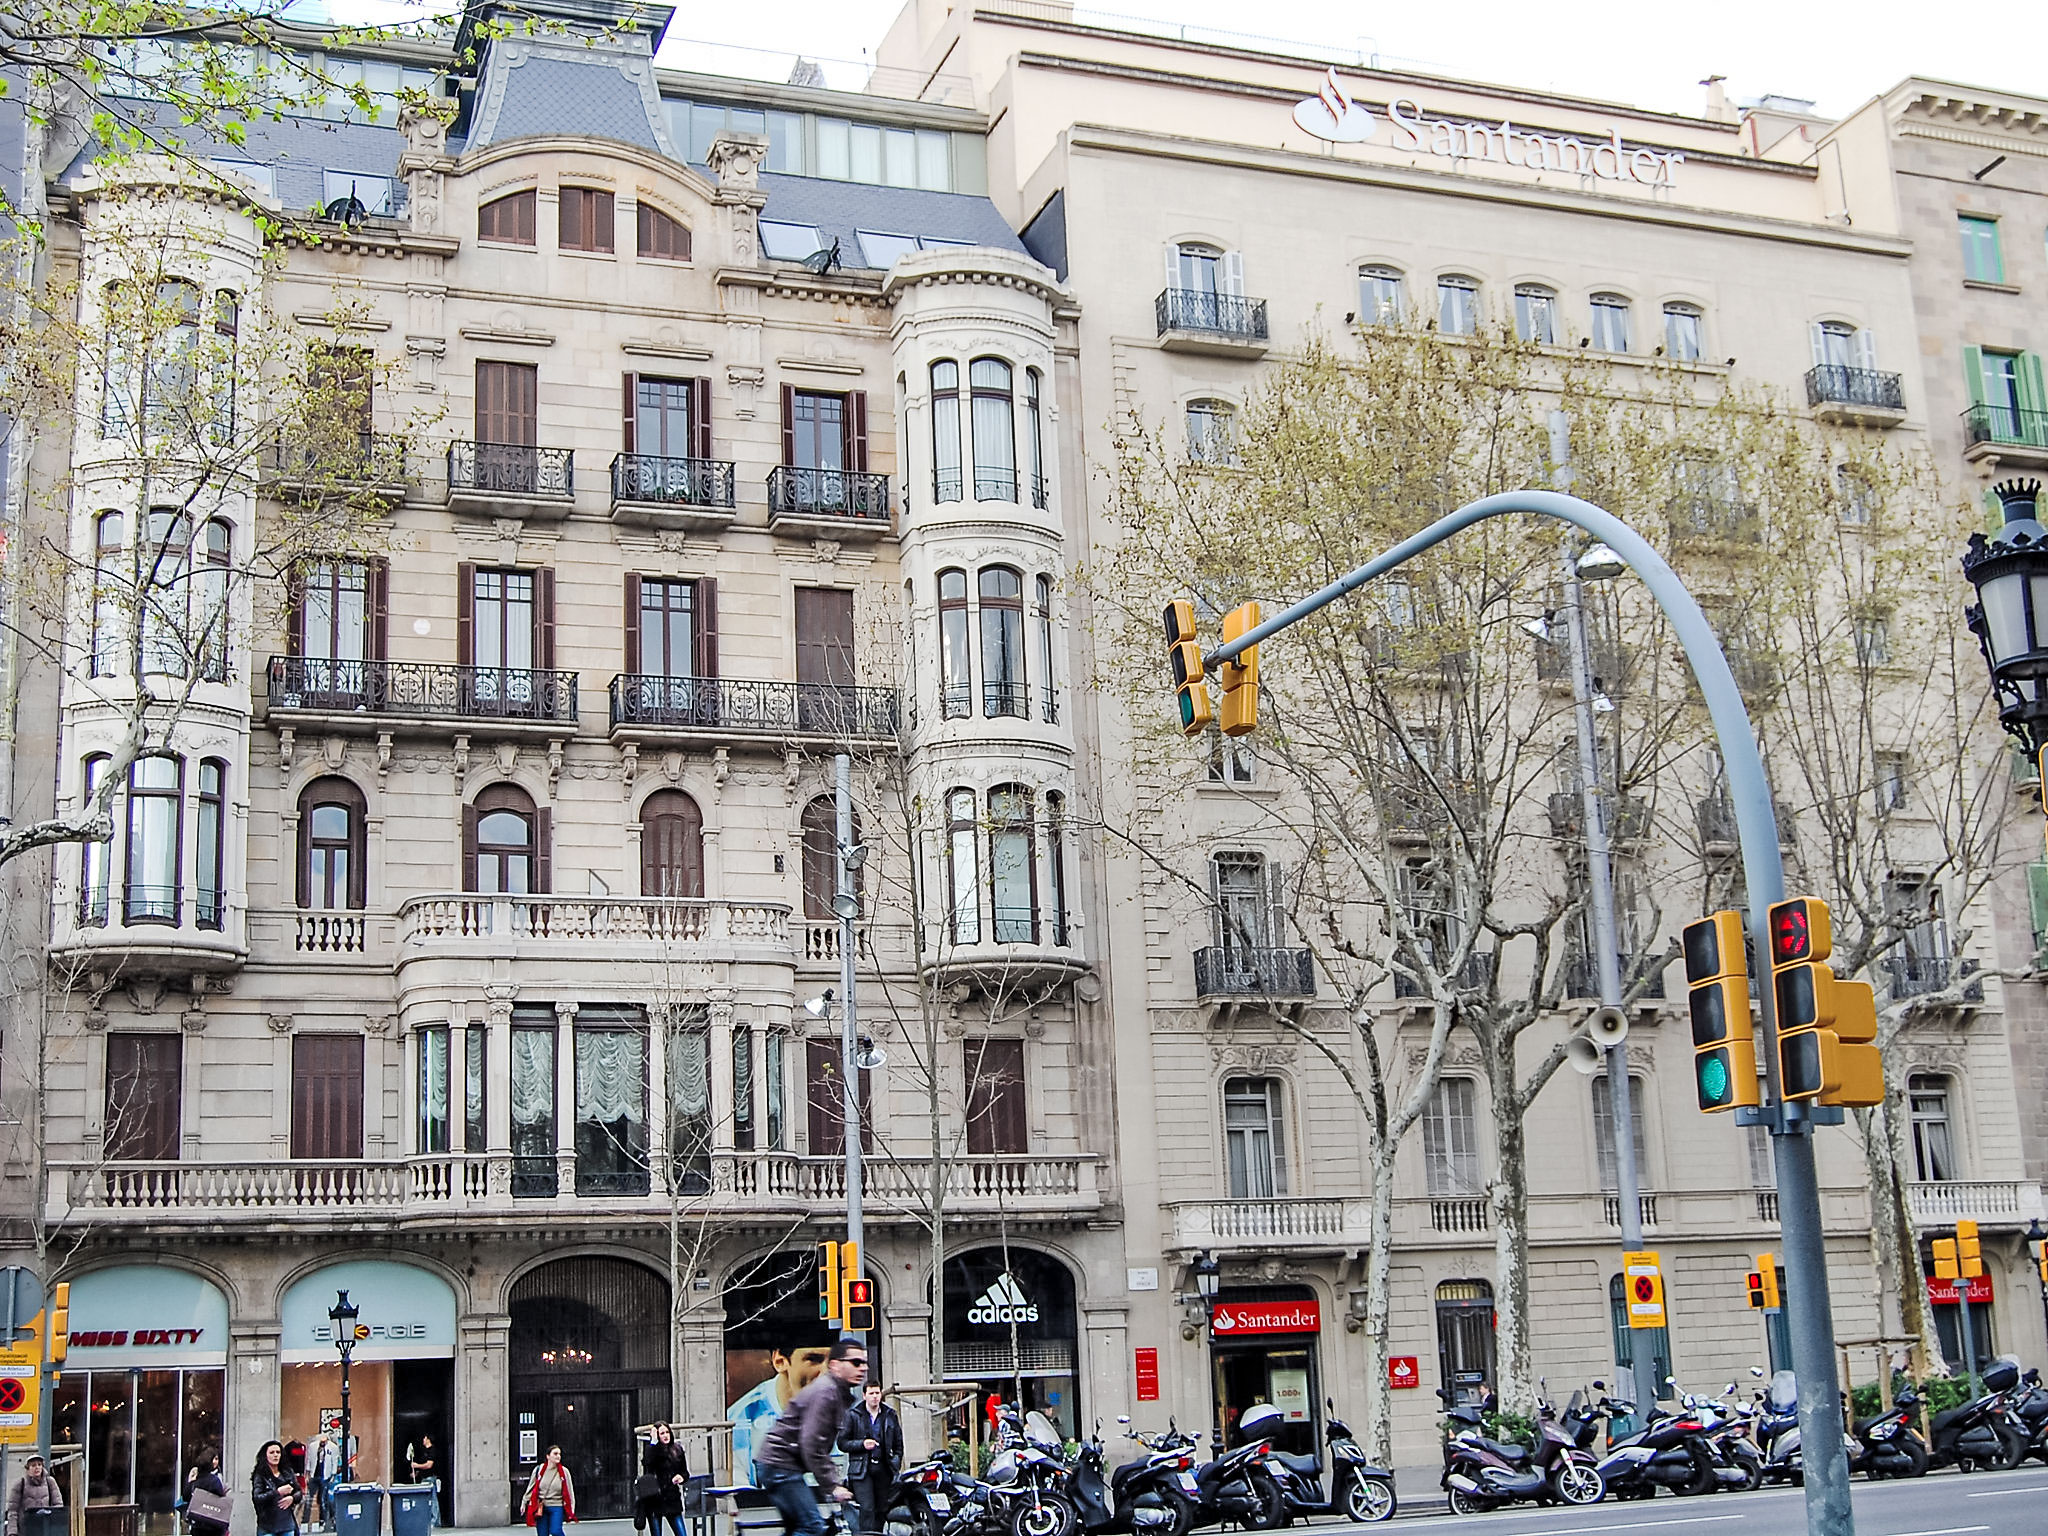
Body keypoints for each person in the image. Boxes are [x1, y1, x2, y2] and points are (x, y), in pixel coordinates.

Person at [755, 1338, 867, 1536]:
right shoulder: (826, 1393)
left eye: (865, 1363)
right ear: (835, 1365)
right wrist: (832, 1485)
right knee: (811, 1526)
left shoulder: (834, 1392)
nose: (863, 1369)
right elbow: (812, 1443)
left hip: (779, 1463)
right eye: (856, 1363)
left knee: (798, 1527)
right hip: (780, 1465)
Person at [730, 1336, 836, 1482]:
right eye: (813, 1359)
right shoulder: (741, 1417)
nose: (826, 1373)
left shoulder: (844, 1409)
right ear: (780, 1361)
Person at [838, 1384, 902, 1536]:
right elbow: (842, 1443)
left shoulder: (889, 1414)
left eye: (877, 1393)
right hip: (862, 1471)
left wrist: (896, 1462)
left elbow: (898, 1443)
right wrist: (862, 1444)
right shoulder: (854, 1414)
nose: (875, 1396)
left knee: (882, 1509)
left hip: (884, 1469)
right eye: (871, 1393)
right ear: (864, 1395)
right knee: (867, 1508)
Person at [637, 1422, 688, 1536]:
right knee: (656, 1533)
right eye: (662, 1433)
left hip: (672, 1497)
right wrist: (654, 1442)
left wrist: (681, 1477)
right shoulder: (651, 1449)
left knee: (682, 1533)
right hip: (655, 1498)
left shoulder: (677, 1450)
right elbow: (648, 1465)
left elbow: (685, 1472)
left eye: (667, 1432)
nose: (665, 1435)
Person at [521, 1446, 576, 1536]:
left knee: (556, 1531)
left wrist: (572, 1508)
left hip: (557, 1506)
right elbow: (531, 1488)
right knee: (542, 1534)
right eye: (555, 1454)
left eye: (559, 1454)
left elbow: (570, 1492)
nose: (558, 1456)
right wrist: (524, 1502)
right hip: (541, 1507)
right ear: (548, 1456)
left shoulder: (564, 1471)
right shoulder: (539, 1470)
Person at [6, 1454, 64, 1536]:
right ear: (28, 1468)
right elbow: (13, 1510)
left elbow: (58, 1505)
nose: (37, 1467)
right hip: (26, 1530)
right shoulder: (20, 1484)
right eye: (33, 1465)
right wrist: (12, 1532)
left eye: (39, 1465)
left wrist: (56, 1526)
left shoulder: (50, 1482)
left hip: (45, 1528)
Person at [252, 1441, 299, 1536]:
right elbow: (257, 1498)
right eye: (272, 1453)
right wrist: (277, 1492)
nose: (275, 1455)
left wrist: (293, 1498)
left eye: (278, 1452)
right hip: (268, 1526)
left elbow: (298, 1492)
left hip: (287, 1524)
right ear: (265, 1455)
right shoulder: (260, 1475)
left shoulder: (287, 1472)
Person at [185, 1448, 229, 1536]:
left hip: (197, 1524)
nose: (216, 1462)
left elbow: (186, 1497)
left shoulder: (195, 1480)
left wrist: (190, 1482)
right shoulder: (214, 1480)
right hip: (212, 1524)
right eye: (215, 1459)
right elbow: (220, 1500)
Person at [407, 1435, 442, 1527]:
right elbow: (424, 1466)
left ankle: (435, 1521)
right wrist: (416, 1473)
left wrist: (416, 1465)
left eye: (424, 1438)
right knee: (426, 1501)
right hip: (424, 1478)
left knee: (433, 1500)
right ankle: (428, 1519)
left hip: (430, 1479)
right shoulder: (424, 1452)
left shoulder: (432, 1450)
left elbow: (429, 1465)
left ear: (428, 1439)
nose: (423, 1440)